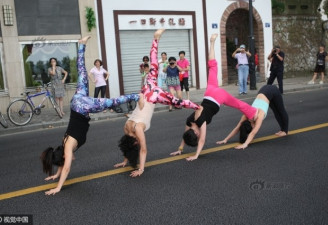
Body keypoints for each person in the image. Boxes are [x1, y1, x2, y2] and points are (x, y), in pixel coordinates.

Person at [41, 36, 140, 195]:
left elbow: (65, 166)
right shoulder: (64, 144)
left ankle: (138, 96)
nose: (70, 160)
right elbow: (62, 162)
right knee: (82, 73)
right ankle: (81, 46)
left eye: (66, 159)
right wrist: (56, 174)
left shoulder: (67, 148)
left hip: (82, 107)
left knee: (111, 102)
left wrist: (58, 187)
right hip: (76, 103)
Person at [114, 29, 199, 177]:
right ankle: (155, 39)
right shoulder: (126, 128)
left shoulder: (138, 129)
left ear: (133, 142)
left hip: (153, 96)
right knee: (154, 65)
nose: (137, 143)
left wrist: (141, 169)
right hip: (146, 89)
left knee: (177, 102)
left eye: (135, 143)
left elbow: (143, 149)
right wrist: (125, 161)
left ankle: (198, 106)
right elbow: (128, 145)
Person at [170, 34, 258, 161]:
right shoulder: (189, 121)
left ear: (195, 132)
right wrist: (180, 149)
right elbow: (185, 136)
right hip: (209, 91)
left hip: (218, 98)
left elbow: (202, 140)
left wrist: (196, 155)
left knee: (238, 104)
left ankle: (253, 115)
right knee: (212, 66)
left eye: (197, 135)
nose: (199, 135)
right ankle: (212, 43)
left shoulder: (200, 122)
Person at [216, 85, 289, 150]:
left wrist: (245, 144)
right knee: (275, 111)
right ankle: (282, 129)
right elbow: (237, 128)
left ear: (251, 125)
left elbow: (253, 133)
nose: (254, 127)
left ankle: (285, 131)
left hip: (272, 90)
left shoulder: (260, 115)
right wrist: (225, 139)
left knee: (280, 110)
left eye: (252, 127)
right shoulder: (245, 116)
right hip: (264, 92)